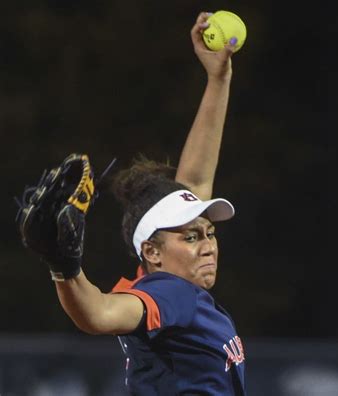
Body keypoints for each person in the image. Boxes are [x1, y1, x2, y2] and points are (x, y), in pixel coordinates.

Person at [52, 12, 246, 395]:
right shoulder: (172, 293)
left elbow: (195, 183)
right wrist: (64, 268)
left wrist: (218, 79)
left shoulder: (168, 287)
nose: (207, 244)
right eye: (191, 237)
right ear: (152, 252)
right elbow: (99, 314)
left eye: (209, 232)